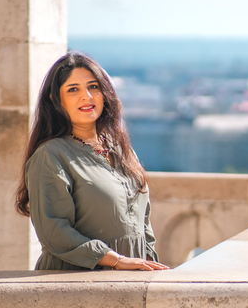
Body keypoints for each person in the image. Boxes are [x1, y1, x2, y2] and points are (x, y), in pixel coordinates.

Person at [14, 51, 169, 271]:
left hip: (131, 278)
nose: (86, 96)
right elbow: (54, 231)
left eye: (93, 87)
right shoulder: (50, 155)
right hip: (76, 281)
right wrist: (116, 260)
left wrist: (149, 263)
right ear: (55, 99)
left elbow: (143, 223)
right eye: (73, 89)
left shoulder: (121, 149)